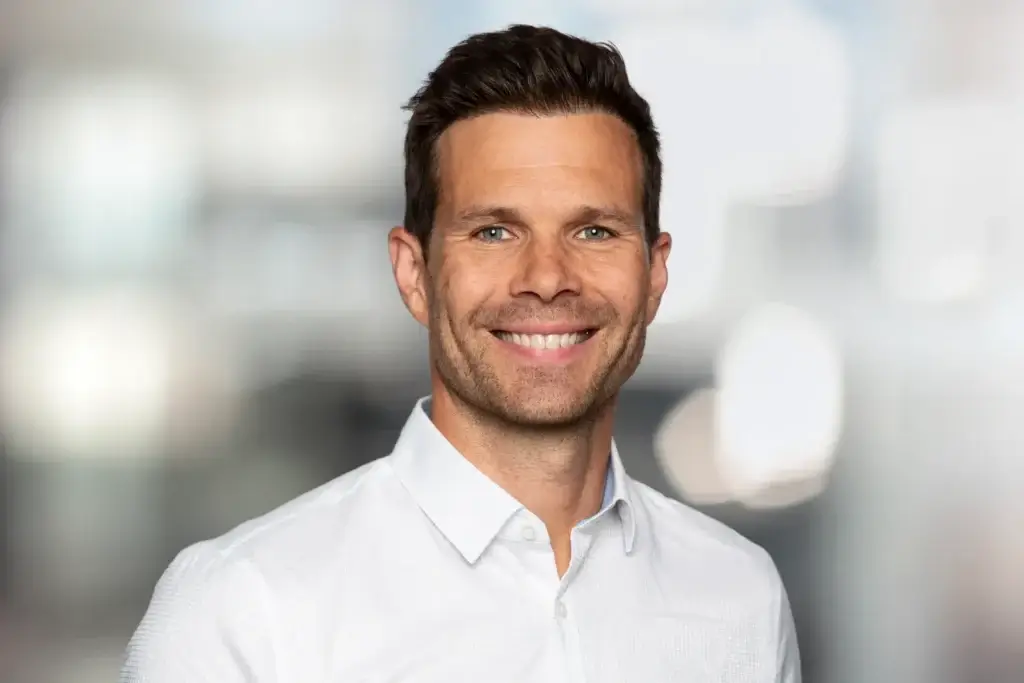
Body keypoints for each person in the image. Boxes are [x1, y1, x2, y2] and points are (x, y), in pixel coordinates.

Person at [121, 24, 801, 682]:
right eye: (495, 232)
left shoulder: (739, 594)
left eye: (594, 231)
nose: (547, 277)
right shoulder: (245, 610)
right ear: (414, 273)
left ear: (654, 273)